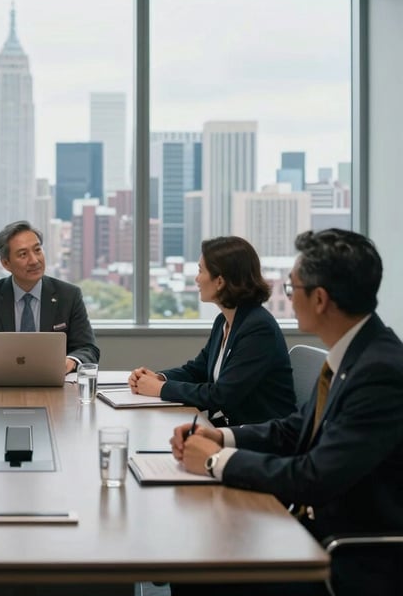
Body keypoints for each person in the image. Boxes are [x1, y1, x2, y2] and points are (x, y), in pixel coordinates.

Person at [170, 229, 403, 596]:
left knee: (200, 563)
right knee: (194, 552)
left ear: (321, 299)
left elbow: (313, 476)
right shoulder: (355, 354)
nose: (289, 301)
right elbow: (295, 430)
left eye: (293, 290)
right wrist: (222, 437)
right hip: (312, 525)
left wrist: (217, 461)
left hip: (348, 555)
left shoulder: (379, 371)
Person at [129, 236, 295, 425]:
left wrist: (160, 388)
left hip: (258, 436)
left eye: (201, 271)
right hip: (229, 426)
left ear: (220, 281)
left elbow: (221, 395)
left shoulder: (258, 329)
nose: (197, 278)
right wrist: (158, 377)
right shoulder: (224, 320)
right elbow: (197, 370)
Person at [0, 220, 99, 373]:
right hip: (1, 385)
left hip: (54, 387)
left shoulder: (68, 295)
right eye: (23, 254)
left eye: (37, 250)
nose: (34, 261)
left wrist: (70, 362)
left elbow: (88, 349)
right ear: (6, 263)